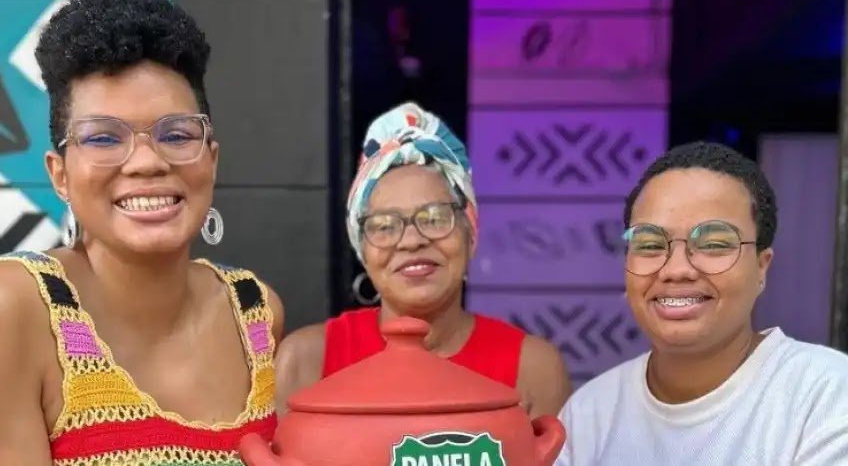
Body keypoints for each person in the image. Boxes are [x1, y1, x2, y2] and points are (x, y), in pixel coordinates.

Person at [0, 0, 283, 465]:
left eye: (176, 134)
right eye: (103, 138)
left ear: (211, 161)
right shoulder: (0, 315)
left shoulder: (255, 314)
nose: (147, 162)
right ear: (60, 174)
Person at [556, 141, 848, 465]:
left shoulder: (826, 395)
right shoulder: (588, 415)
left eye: (713, 244)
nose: (676, 270)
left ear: (762, 266)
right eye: (650, 244)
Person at [275, 102, 571, 416]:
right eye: (385, 226)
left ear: (470, 235)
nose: (413, 240)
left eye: (434, 218)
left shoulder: (532, 369)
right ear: (363, 251)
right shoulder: (306, 362)